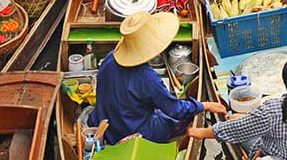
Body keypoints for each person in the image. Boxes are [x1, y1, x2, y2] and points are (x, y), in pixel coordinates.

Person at [89, 11, 225, 144]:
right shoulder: (147, 77)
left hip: (108, 123)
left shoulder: (109, 58)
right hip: (132, 131)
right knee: (182, 118)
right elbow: (175, 110)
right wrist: (204, 105)